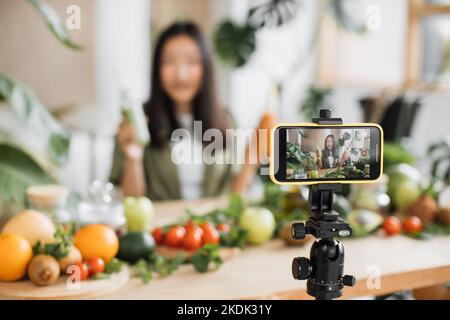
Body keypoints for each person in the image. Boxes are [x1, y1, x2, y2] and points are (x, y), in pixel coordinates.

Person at [110, 22, 267, 200]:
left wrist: (252, 158)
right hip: (161, 227)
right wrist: (133, 159)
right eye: (169, 62)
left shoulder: (227, 120)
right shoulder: (138, 122)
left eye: (191, 62)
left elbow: (235, 195)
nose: (181, 75)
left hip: (213, 226)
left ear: (205, 67)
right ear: (157, 68)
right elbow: (131, 203)